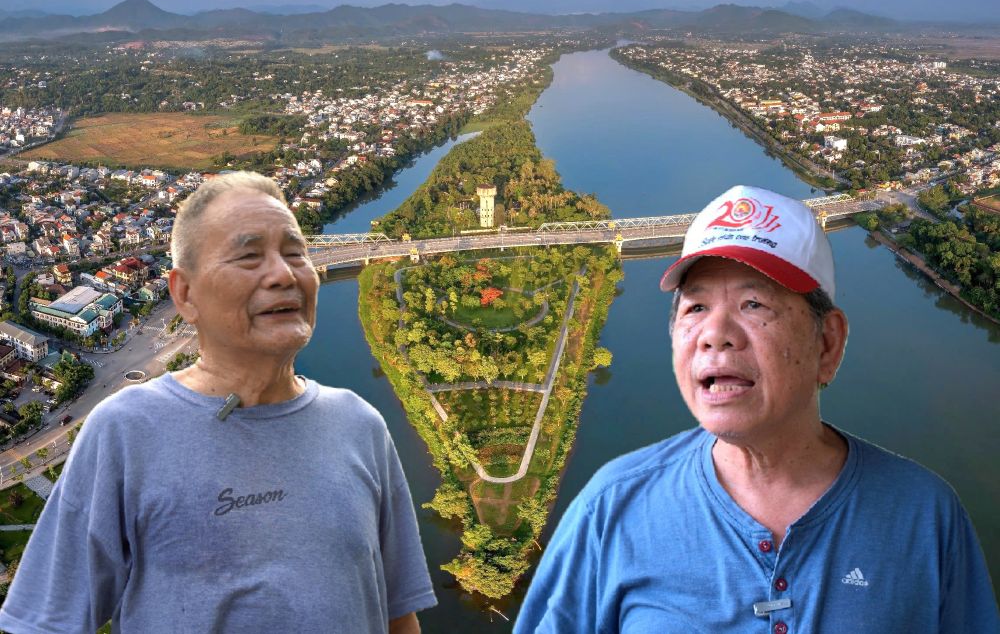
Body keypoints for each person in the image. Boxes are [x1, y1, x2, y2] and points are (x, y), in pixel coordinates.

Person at [514, 185, 999, 633]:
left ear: (827, 344)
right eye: (695, 308)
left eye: (754, 304)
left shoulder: (923, 515)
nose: (714, 333)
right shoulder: (611, 508)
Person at [0, 172, 437, 633]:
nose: (284, 274)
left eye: (296, 253)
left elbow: (397, 617)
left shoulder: (360, 425)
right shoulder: (125, 432)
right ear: (184, 294)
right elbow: (43, 624)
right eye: (249, 257)